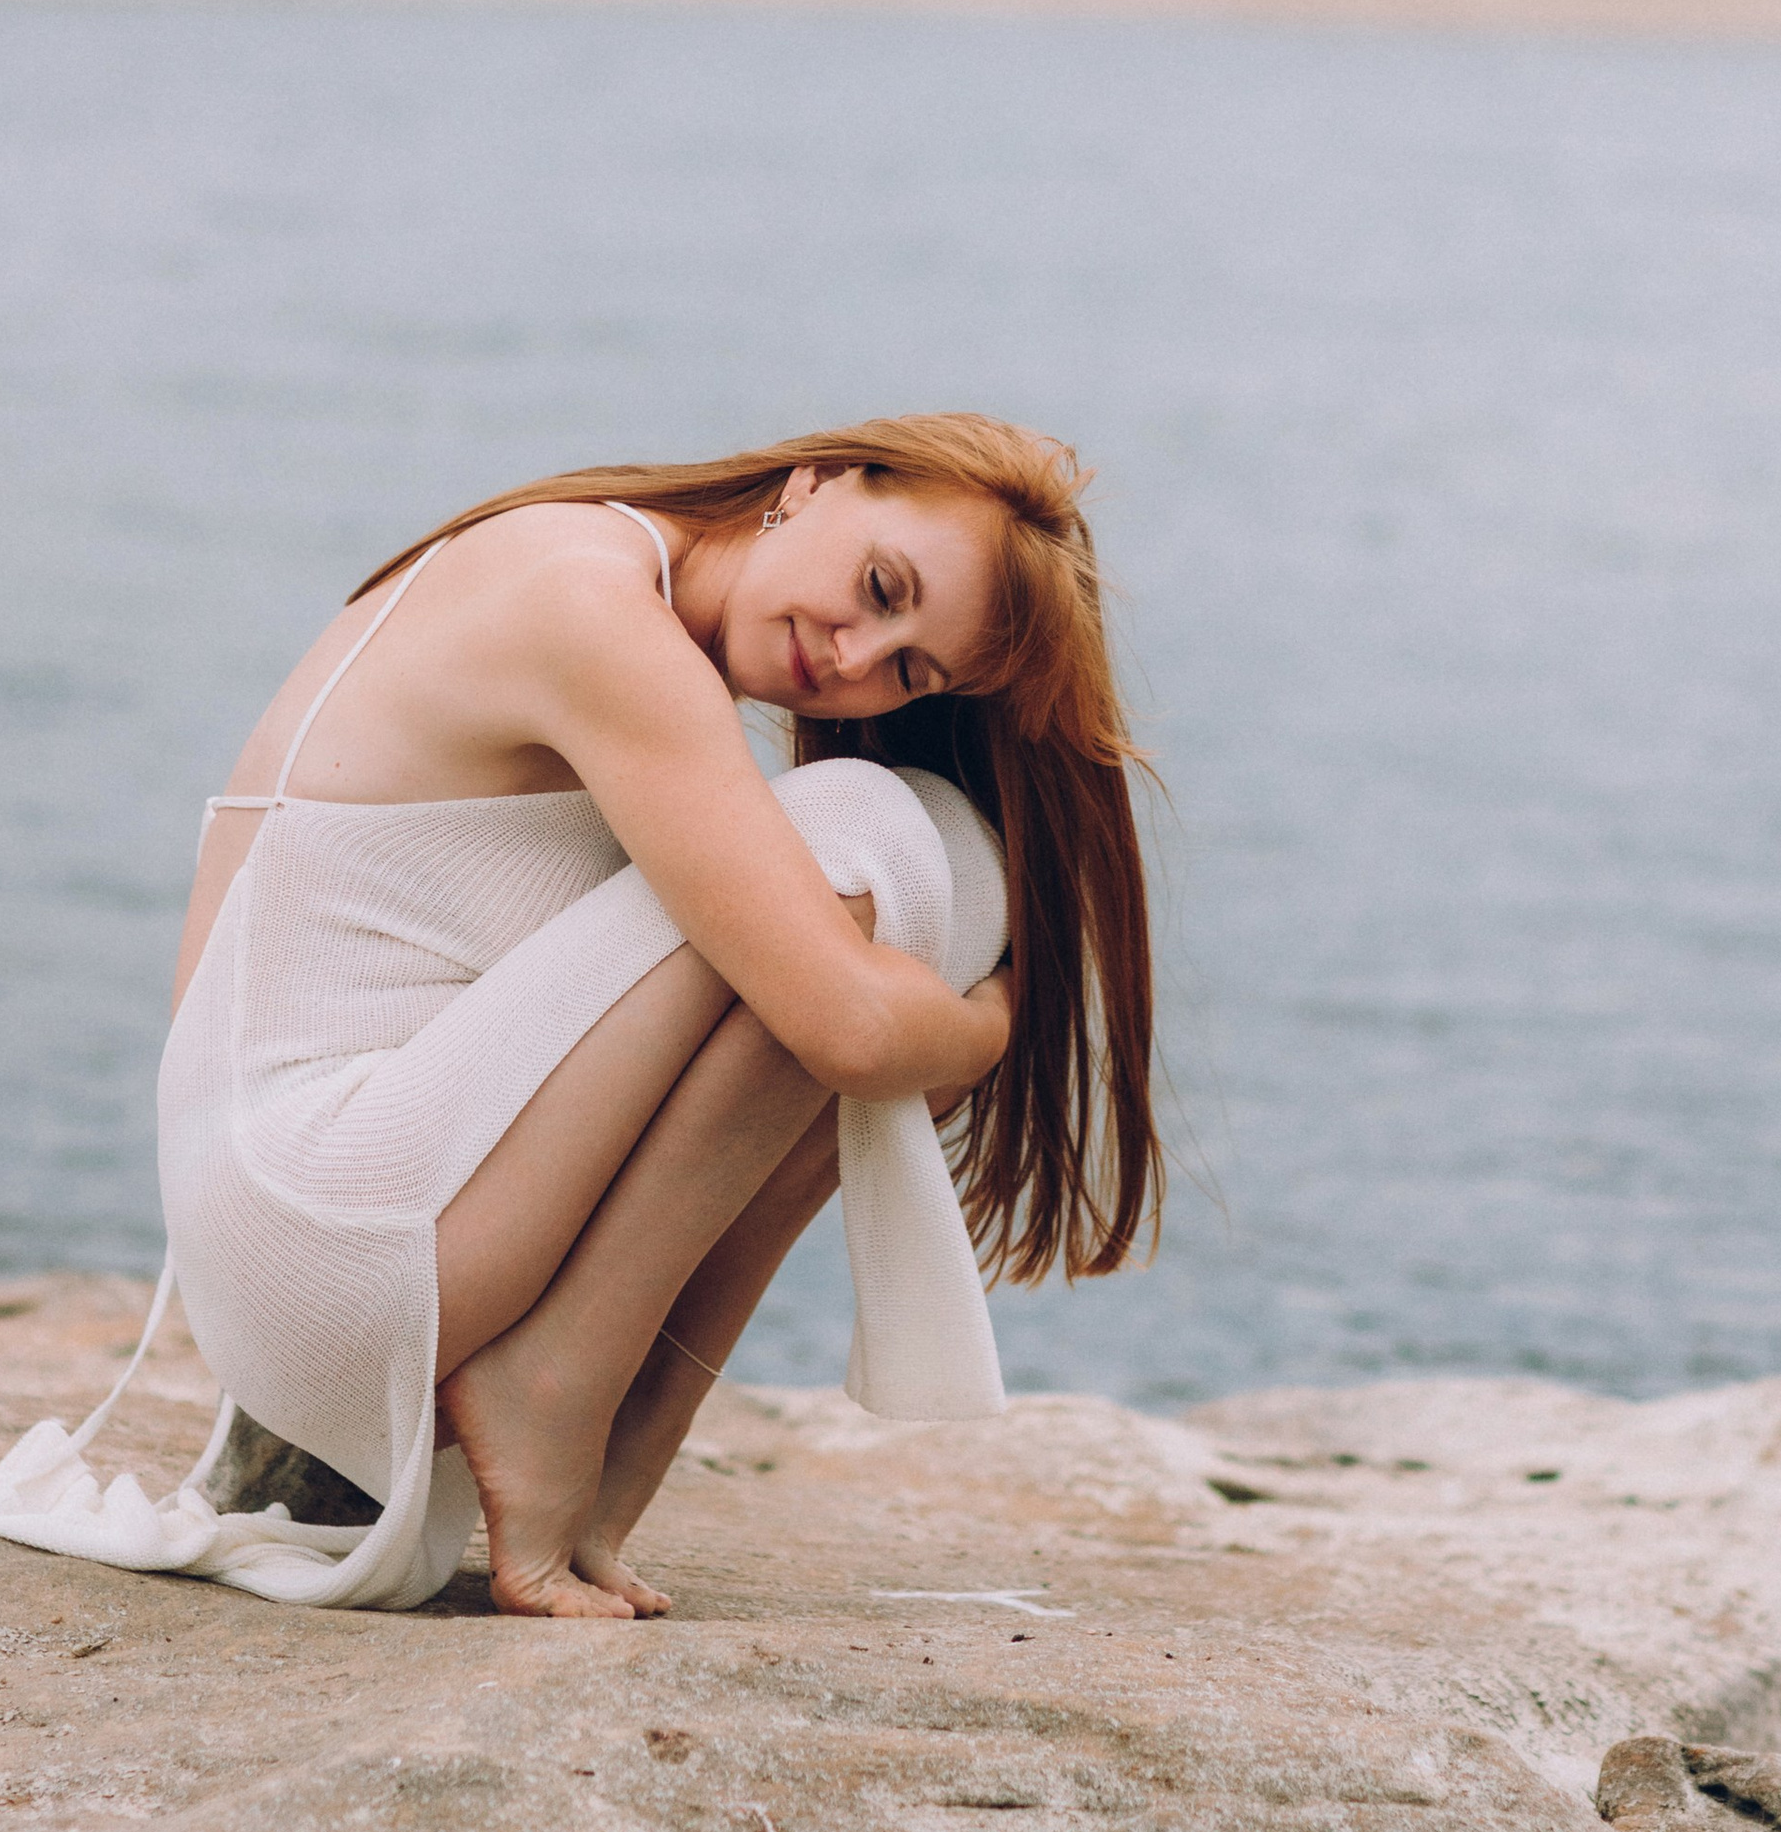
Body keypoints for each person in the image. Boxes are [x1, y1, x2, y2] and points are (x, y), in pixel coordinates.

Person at [150, 413, 1160, 1621]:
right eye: (879, 588)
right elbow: (844, 1032)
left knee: (952, 862)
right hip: (313, 1225)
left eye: (908, 668)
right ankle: (551, 1393)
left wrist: (922, 993)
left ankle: (613, 1421)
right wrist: (985, 1025)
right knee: (870, 837)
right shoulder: (586, 600)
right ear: (814, 484)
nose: (853, 656)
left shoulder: (624, 595)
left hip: (368, 1225)